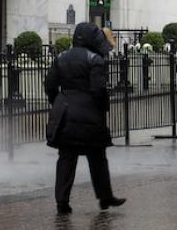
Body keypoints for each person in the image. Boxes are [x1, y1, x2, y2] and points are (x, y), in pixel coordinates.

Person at [45, 21, 126, 215]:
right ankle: (105, 197)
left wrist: (59, 102)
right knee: (97, 157)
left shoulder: (61, 57)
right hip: (88, 115)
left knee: (66, 158)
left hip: (64, 113)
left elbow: (49, 84)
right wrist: (99, 108)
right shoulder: (94, 59)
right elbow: (98, 89)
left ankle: (62, 201)